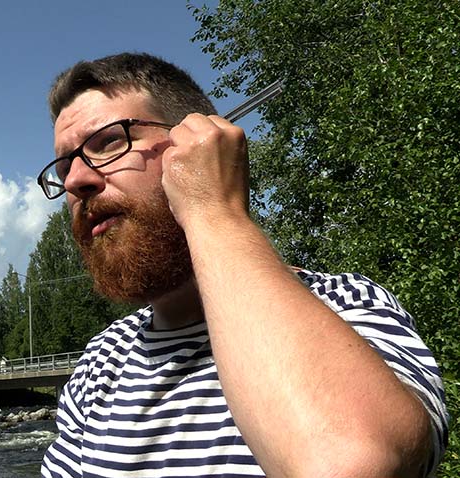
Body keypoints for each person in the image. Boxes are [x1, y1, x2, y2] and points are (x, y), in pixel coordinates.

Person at [38, 53, 448, 478]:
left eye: (108, 141)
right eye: (65, 167)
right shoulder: (100, 362)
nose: (75, 181)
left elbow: (348, 464)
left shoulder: (345, 304)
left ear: (201, 144)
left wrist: (211, 209)